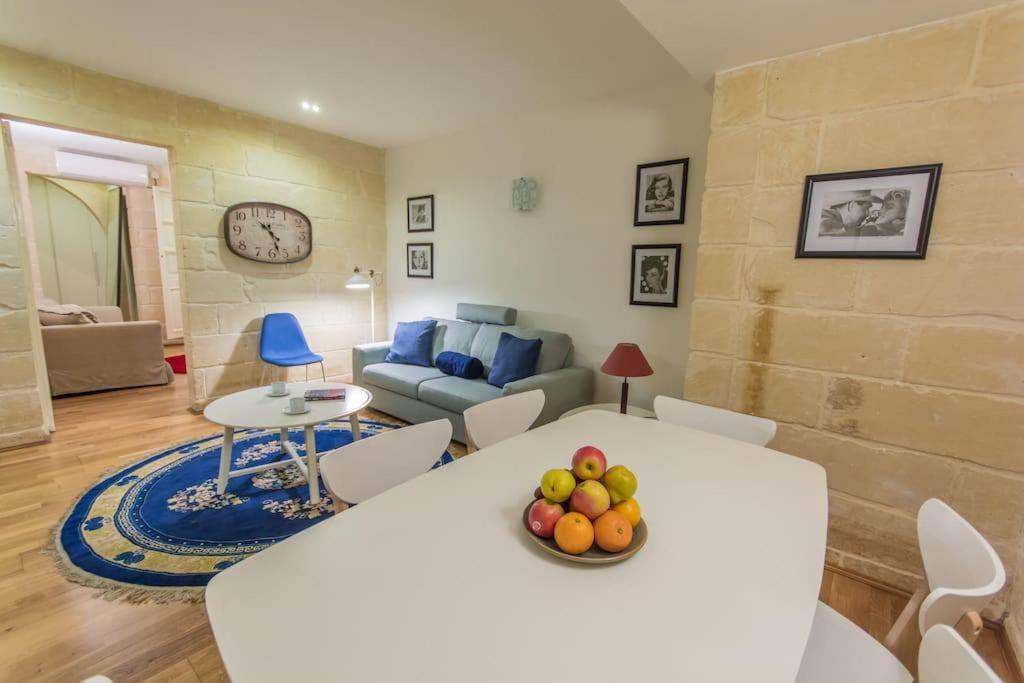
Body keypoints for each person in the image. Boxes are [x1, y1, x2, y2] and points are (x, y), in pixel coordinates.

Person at [818, 190, 884, 235]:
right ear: (851, 205)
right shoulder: (823, 219)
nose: (867, 214)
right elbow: (823, 226)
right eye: (866, 208)